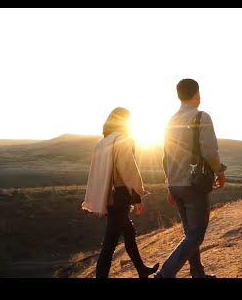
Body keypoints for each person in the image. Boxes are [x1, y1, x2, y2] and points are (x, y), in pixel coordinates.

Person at [157, 78, 226, 278]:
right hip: (194, 184)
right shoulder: (201, 117)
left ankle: (197, 272)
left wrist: (169, 185)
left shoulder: (170, 121)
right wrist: (219, 171)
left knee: (189, 233)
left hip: (176, 183)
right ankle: (165, 274)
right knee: (196, 235)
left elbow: (165, 157)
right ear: (196, 94)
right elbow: (210, 151)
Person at [82, 107, 159, 278]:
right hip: (121, 195)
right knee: (109, 244)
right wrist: (137, 197)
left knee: (129, 233)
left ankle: (142, 270)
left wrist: (98, 198)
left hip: (107, 196)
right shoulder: (122, 140)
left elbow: (96, 174)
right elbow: (128, 171)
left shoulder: (102, 142)